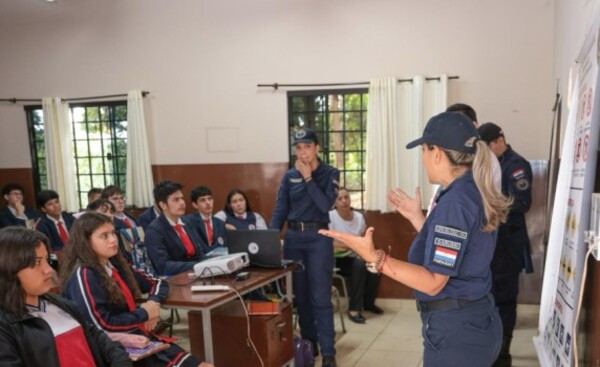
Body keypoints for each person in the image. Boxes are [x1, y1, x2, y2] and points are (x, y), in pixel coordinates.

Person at [320, 112, 512, 367]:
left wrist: (374, 258)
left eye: (423, 150)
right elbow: (458, 249)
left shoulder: (455, 203)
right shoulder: (467, 190)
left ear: (437, 153)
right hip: (473, 323)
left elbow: (433, 282)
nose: (422, 159)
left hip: (458, 334)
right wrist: (417, 219)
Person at [60, 212, 212, 367]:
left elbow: (157, 282)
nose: (113, 240)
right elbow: (102, 325)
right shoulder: (84, 274)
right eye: (104, 236)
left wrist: (153, 303)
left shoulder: (115, 264)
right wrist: (144, 314)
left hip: (139, 338)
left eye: (113, 233)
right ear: (86, 241)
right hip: (117, 351)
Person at [0, 226, 132, 367]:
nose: (49, 270)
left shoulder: (61, 304)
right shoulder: (5, 325)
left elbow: (100, 340)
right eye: (36, 262)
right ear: (9, 269)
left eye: (46, 260)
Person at [270, 128, 340, 367]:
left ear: (317, 148)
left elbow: (325, 205)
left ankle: (329, 353)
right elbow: (280, 209)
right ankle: (310, 347)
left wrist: (309, 177)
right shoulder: (289, 176)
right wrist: (268, 241)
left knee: (320, 297)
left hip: (318, 238)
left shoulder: (330, 173)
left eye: (307, 147)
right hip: (293, 240)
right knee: (302, 298)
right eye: (298, 148)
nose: (302, 152)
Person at [478, 122, 533, 367]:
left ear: (499, 141)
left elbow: (521, 203)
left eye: (488, 148)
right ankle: (491, 346)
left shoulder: (516, 166)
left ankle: (503, 353)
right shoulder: (492, 165)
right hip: (492, 243)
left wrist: (491, 208)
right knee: (490, 295)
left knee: (506, 299)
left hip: (509, 244)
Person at [329, 188, 382, 324]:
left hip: (357, 255)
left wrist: (364, 252)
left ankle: (368, 304)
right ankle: (354, 309)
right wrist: (353, 246)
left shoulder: (358, 217)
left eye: (346, 197)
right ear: (335, 202)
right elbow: (331, 243)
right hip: (338, 260)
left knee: (374, 263)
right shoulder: (331, 216)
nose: (344, 201)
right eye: (340, 199)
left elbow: (365, 240)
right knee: (359, 265)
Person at [146, 181, 207, 276]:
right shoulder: (154, 230)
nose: (182, 203)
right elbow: (163, 266)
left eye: (182, 198)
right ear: (163, 205)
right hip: (174, 281)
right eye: (176, 200)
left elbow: (200, 254)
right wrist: (196, 265)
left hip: (197, 275)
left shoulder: (187, 223)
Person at [184, 186, 227, 252]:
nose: (208, 203)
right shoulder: (188, 222)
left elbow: (223, 245)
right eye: (203, 200)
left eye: (209, 199)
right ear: (195, 205)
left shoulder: (220, 223)